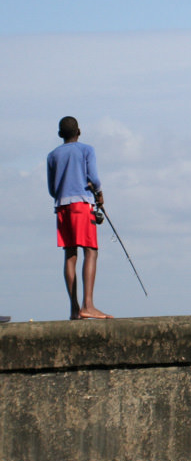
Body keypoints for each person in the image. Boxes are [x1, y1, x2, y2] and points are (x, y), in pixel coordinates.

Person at [46, 116, 112, 320]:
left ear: (60, 134)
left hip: (62, 207)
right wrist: (99, 193)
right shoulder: (86, 150)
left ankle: (74, 309)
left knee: (70, 254)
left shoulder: (52, 155)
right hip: (81, 205)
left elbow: (52, 189)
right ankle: (88, 305)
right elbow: (94, 178)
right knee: (91, 251)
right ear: (79, 132)